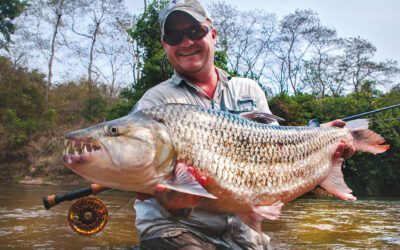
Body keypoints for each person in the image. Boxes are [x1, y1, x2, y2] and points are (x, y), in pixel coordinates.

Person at [132, 0, 354, 249]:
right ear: (165, 45)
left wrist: (318, 138)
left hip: (245, 236)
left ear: (213, 34)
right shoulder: (154, 102)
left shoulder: (249, 89)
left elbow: (275, 153)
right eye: (174, 36)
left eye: (195, 31)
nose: (186, 42)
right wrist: (173, 202)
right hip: (177, 232)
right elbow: (146, 188)